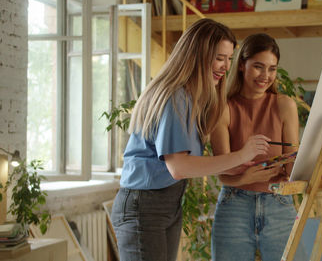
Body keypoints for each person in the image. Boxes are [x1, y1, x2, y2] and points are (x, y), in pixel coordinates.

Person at [111, 19, 271, 261]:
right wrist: (240, 155)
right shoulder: (176, 97)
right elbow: (179, 167)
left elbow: (187, 163)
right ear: (197, 55)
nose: (225, 67)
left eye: (229, 59)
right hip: (144, 205)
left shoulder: (191, 98)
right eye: (219, 58)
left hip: (167, 202)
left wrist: (233, 164)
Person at [210, 33, 306, 261]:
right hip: (234, 204)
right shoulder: (222, 107)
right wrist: (243, 179)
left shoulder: (285, 105)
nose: (266, 76)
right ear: (242, 65)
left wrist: (309, 161)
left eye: (272, 69)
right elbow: (223, 172)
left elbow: (292, 166)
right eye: (258, 67)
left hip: (279, 204)